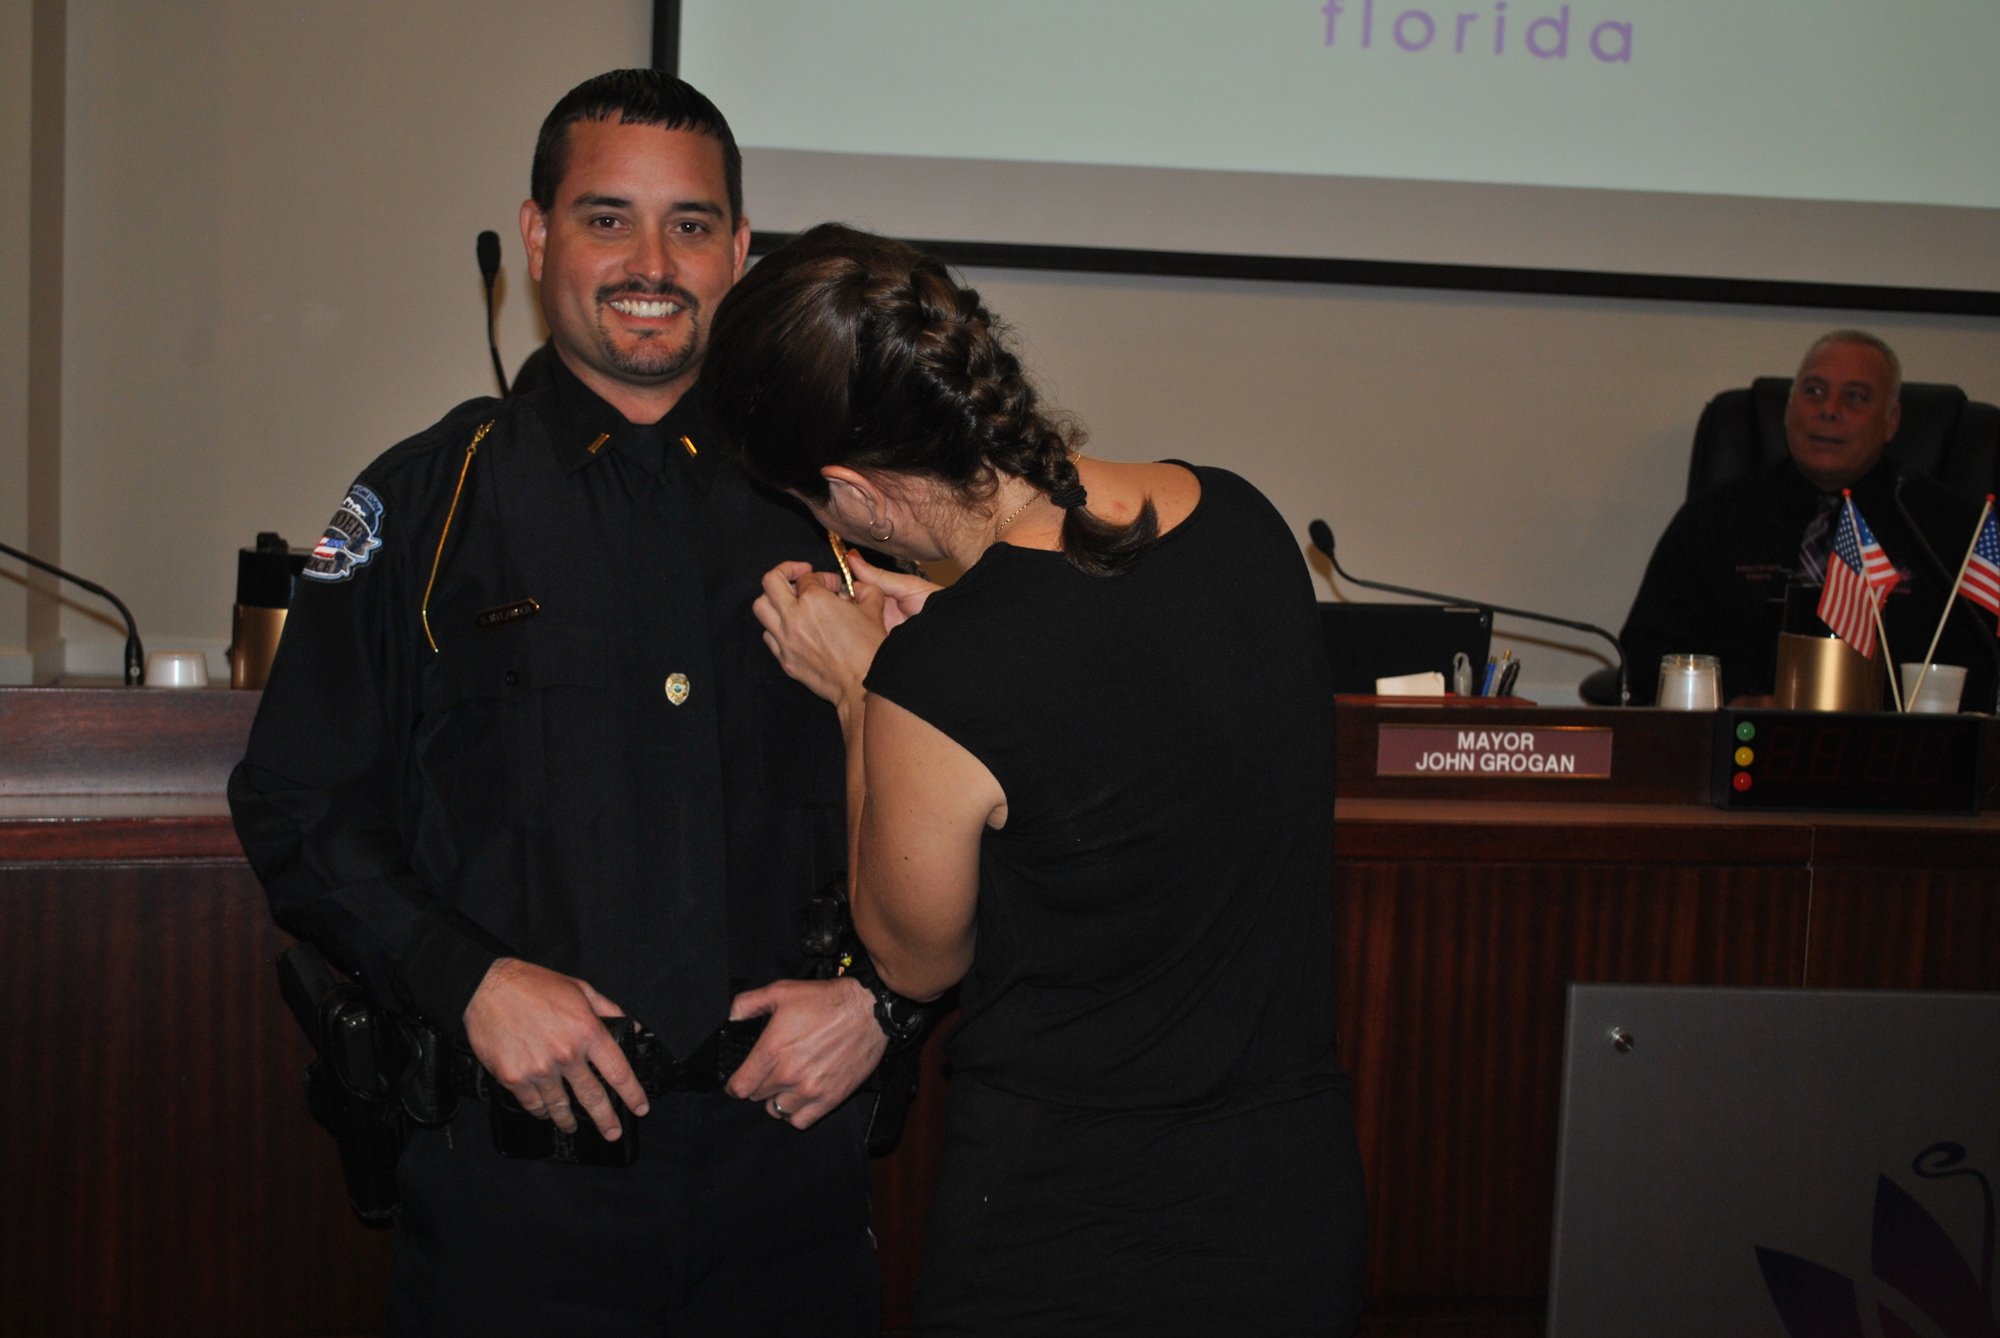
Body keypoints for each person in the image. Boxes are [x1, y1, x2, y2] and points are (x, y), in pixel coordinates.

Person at [228, 72, 900, 1336]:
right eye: (608, 218)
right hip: (514, 1196)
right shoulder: (427, 502)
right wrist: (467, 978)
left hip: (789, 1177)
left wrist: (882, 998)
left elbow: (966, 788)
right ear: (537, 236)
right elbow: (299, 801)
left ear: (739, 251)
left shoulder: (844, 507)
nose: (652, 262)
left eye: (691, 225)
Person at [701, 223, 1368, 1336]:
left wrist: (870, 691)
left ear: (850, 491)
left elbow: (910, 960)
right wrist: (939, 654)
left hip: (1074, 1234)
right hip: (1291, 1202)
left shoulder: (937, 681)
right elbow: (1114, 703)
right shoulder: (1243, 518)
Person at [1620, 329, 1994, 706]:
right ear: (1788, 408)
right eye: (1813, 391)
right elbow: (1646, 654)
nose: (1829, 410)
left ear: (1891, 420)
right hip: (1739, 743)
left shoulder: (1948, 527)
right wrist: (1731, 700)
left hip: (1901, 752)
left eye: (1855, 397)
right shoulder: (1714, 518)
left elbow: (1984, 665)